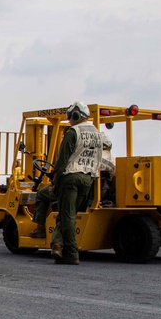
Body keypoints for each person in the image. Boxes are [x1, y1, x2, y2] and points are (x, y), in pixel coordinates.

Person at [31, 102, 103, 265]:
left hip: (70, 177)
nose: (69, 120)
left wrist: (54, 182)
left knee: (67, 216)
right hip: (88, 178)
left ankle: (71, 252)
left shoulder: (73, 132)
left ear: (76, 115)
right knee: (66, 215)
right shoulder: (98, 133)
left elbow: (63, 159)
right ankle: (58, 244)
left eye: (70, 116)